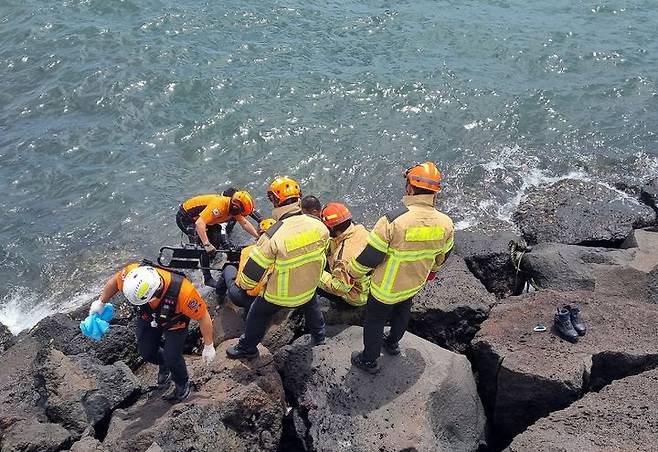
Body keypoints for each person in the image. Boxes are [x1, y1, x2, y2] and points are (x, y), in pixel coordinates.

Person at [348, 162, 454, 374]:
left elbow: (371, 256)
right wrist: (432, 271)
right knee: (403, 311)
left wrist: (353, 273)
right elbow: (443, 255)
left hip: (386, 287)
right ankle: (393, 344)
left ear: (410, 188)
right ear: (435, 191)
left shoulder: (394, 219)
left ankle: (369, 359)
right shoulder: (446, 223)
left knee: (375, 319)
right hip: (414, 282)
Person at [226, 176, 330, 359]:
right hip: (309, 288)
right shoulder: (320, 226)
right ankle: (319, 336)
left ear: (274, 200)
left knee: (258, 312)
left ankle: (247, 347)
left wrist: (239, 285)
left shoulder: (272, 235)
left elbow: (250, 277)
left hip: (280, 296)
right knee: (311, 303)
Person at [88, 262, 216, 401]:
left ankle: (182, 383)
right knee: (146, 352)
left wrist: (208, 345)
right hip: (147, 317)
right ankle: (164, 364)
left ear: (154, 294)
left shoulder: (184, 292)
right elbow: (115, 281)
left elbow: (203, 316)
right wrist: (101, 302)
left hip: (174, 323)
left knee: (172, 357)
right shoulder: (133, 272)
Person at [176, 191, 259, 287]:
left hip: (202, 219)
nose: (240, 215)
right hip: (186, 218)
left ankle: (207, 259)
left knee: (216, 235)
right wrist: (207, 244)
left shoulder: (234, 207)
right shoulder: (220, 205)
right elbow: (199, 223)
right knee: (203, 244)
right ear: (236, 207)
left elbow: (244, 223)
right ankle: (207, 277)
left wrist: (258, 236)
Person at [317, 202, 370, 307]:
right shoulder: (360, 230)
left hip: (357, 296)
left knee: (314, 280)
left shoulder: (342, 257)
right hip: (369, 284)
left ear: (331, 228)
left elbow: (339, 289)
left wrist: (316, 273)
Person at [220, 218, 277, 314]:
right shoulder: (282, 253)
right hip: (269, 301)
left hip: (242, 298)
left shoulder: (247, 250)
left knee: (228, 268)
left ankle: (219, 295)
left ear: (259, 235)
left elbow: (243, 280)